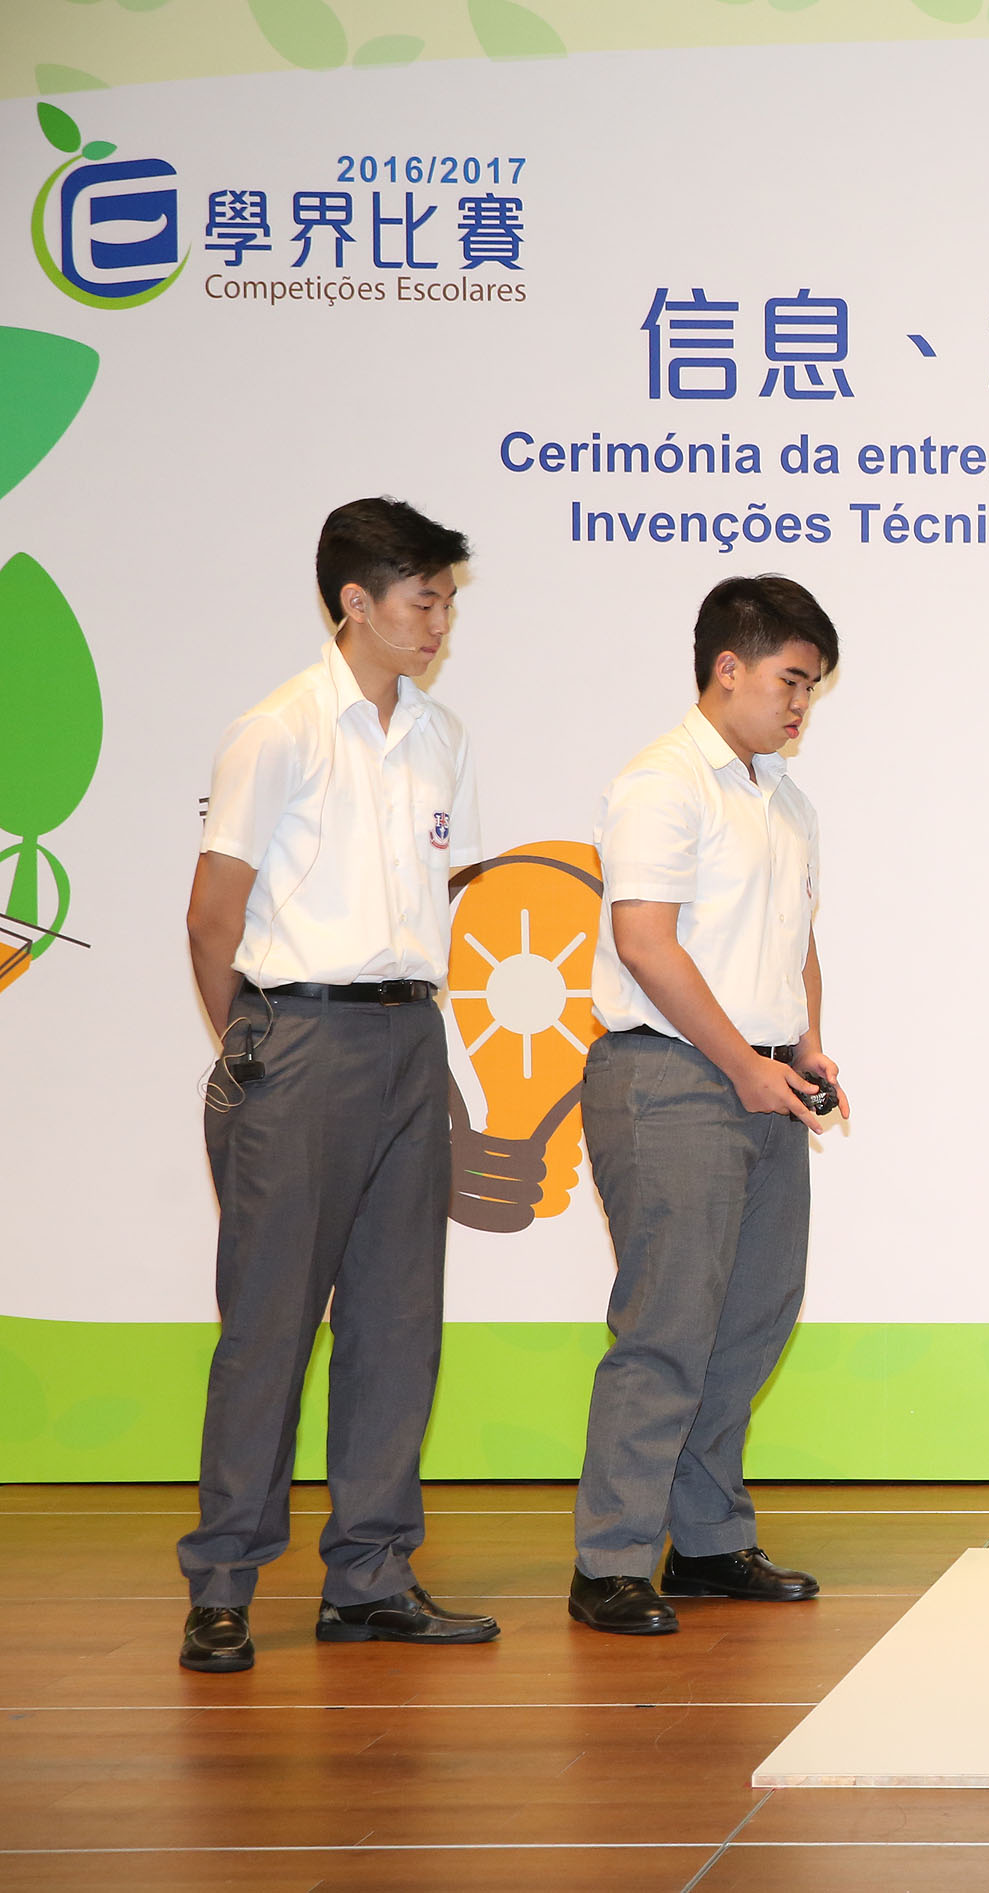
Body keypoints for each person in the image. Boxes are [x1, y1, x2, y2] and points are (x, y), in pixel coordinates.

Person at [175, 498, 502, 1674]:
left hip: (412, 1035)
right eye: (424, 599)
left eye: (449, 600)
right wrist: (250, 1048)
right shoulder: (278, 730)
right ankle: (223, 1584)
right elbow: (213, 915)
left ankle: (369, 1577)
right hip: (298, 1036)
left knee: (397, 1323)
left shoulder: (443, 735)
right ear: (356, 602)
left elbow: (439, 898)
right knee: (270, 1325)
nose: (441, 621)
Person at [567, 575, 846, 1636]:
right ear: (727, 667)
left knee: (752, 1317)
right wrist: (741, 1064)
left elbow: (795, 943)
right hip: (673, 1077)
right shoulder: (663, 782)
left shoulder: (785, 800)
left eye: (812, 687)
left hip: (763, 1079)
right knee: (668, 1323)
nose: (801, 704)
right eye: (790, 680)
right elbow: (645, 944)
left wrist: (804, 1049)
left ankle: (709, 1539)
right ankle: (611, 1560)